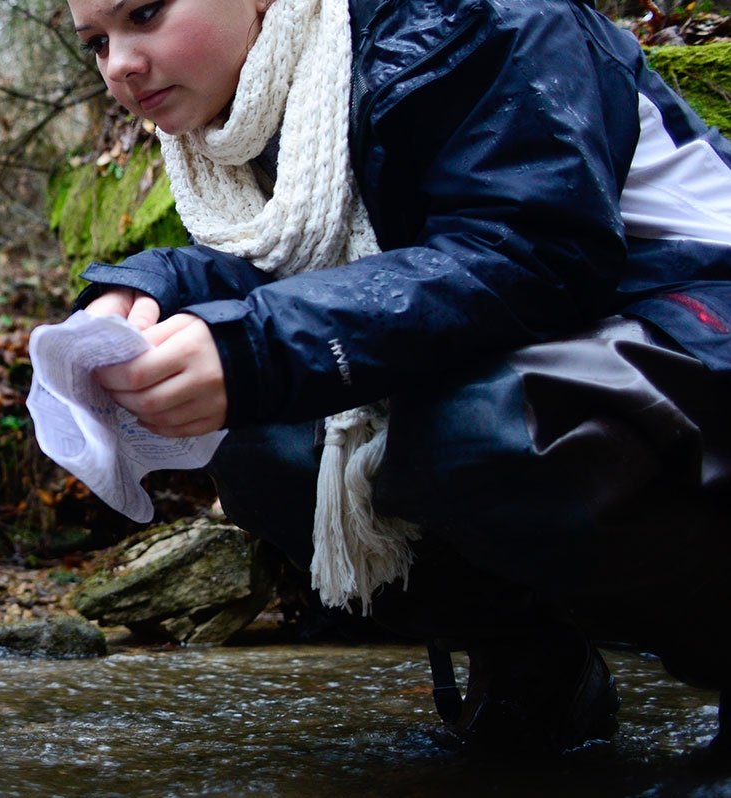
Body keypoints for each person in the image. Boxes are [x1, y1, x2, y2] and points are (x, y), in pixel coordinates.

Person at [64, 0, 729, 755]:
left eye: (144, 13)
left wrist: (259, 348)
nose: (118, 63)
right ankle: (532, 663)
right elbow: (312, 253)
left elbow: (535, 252)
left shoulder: (484, 17)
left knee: (478, 431)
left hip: (695, 313)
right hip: (567, 339)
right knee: (260, 444)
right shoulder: (255, 106)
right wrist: (150, 287)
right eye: (96, 42)